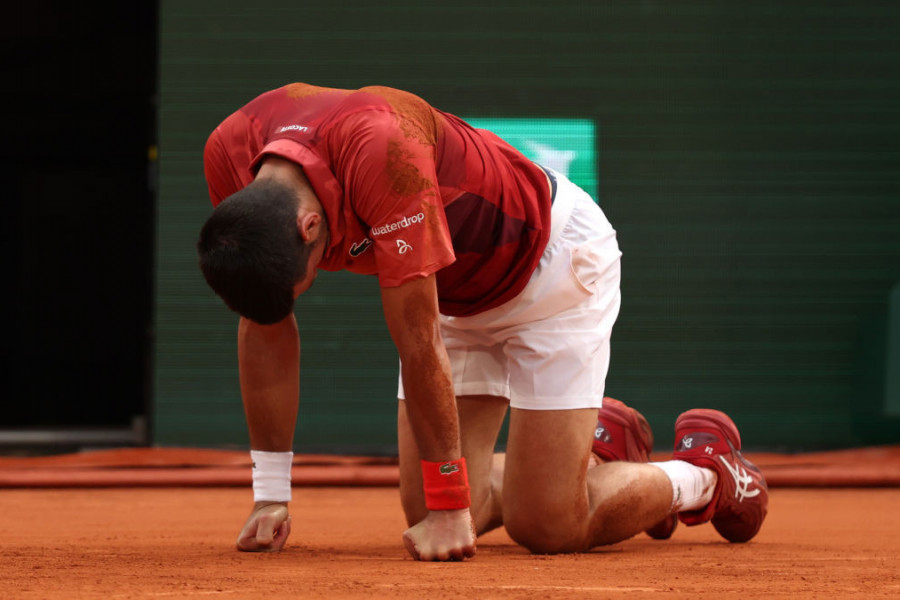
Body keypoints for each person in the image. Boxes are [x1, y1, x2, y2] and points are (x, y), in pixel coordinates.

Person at [197, 83, 768, 560]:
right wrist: (270, 495)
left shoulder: (383, 148)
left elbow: (419, 342)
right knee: (427, 505)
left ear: (309, 227)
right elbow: (264, 324)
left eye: (306, 281)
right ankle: (598, 450)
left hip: (550, 270)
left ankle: (706, 475)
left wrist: (451, 509)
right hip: (451, 293)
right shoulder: (230, 153)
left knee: (548, 526)